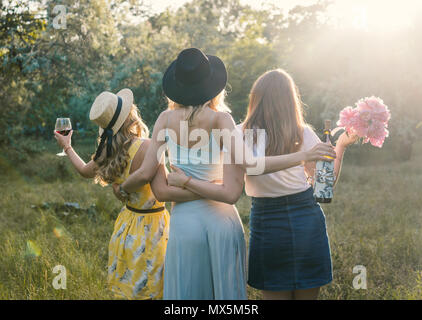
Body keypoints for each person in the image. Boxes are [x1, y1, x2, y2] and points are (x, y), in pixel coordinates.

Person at [112, 49, 336, 299]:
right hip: (221, 221)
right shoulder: (222, 120)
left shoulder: (164, 119)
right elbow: (238, 181)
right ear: (211, 85)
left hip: (184, 224)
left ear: (178, 86)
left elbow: (152, 182)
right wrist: (303, 156)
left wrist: (123, 188)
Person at [167, 69, 358, 300]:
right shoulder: (301, 134)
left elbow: (322, 186)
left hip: (269, 221)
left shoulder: (240, 133)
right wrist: (329, 150)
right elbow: (324, 187)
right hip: (305, 218)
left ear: (255, 99)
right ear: (290, 101)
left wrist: (340, 147)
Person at [54, 89, 198, 299]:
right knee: (155, 287)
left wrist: (67, 147)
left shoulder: (108, 151)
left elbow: (85, 171)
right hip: (153, 228)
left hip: (127, 226)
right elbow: (164, 191)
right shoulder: (148, 146)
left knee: (130, 288)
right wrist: (199, 188)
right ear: (131, 114)